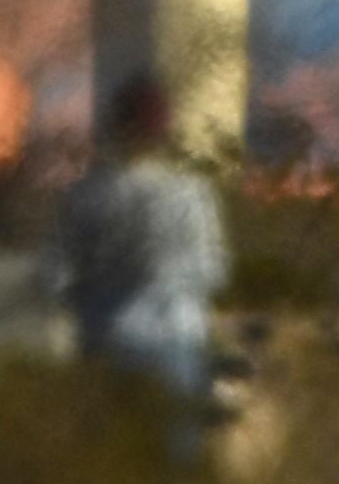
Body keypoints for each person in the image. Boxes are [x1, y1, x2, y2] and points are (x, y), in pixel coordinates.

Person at [50, 72, 228, 463]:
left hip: (105, 339)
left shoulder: (83, 196)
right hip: (176, 339)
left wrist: (94, 295)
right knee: (175, 461)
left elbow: (56, 277)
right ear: (164, 131)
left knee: (107, 460)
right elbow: (213, 270)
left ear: (116, 125)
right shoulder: (191, 194)